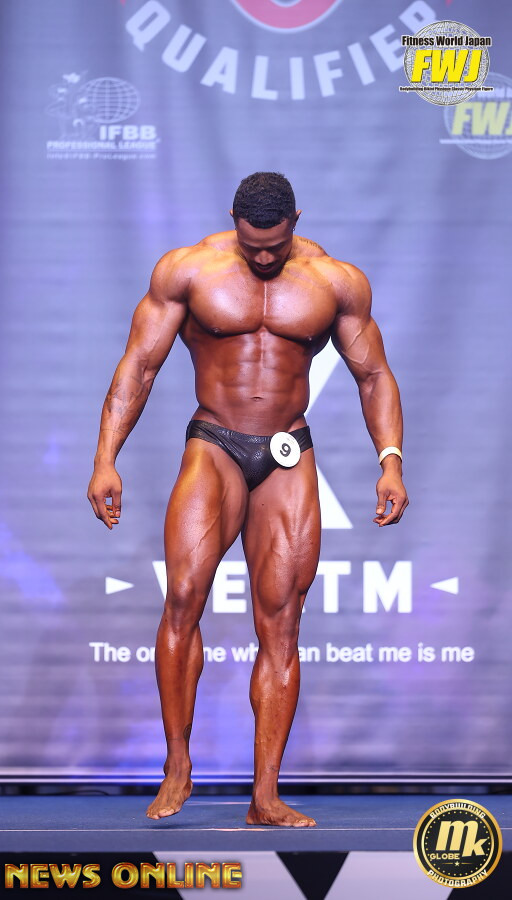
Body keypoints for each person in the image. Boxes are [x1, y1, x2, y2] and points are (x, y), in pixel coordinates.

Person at [87, 172, 408, 827]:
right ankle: (178, 766)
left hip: (288, 448)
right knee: (183, 598)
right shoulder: (188, 271)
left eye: (276, 245)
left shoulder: (334, 282)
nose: (264, 257)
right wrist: (105, 459)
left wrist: (391, 462)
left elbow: (374, 375)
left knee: (283, 622)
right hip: (214, 441)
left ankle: (265, 797)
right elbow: (139, 366)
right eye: (252, 244)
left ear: (296, 221)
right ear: (234, 218)